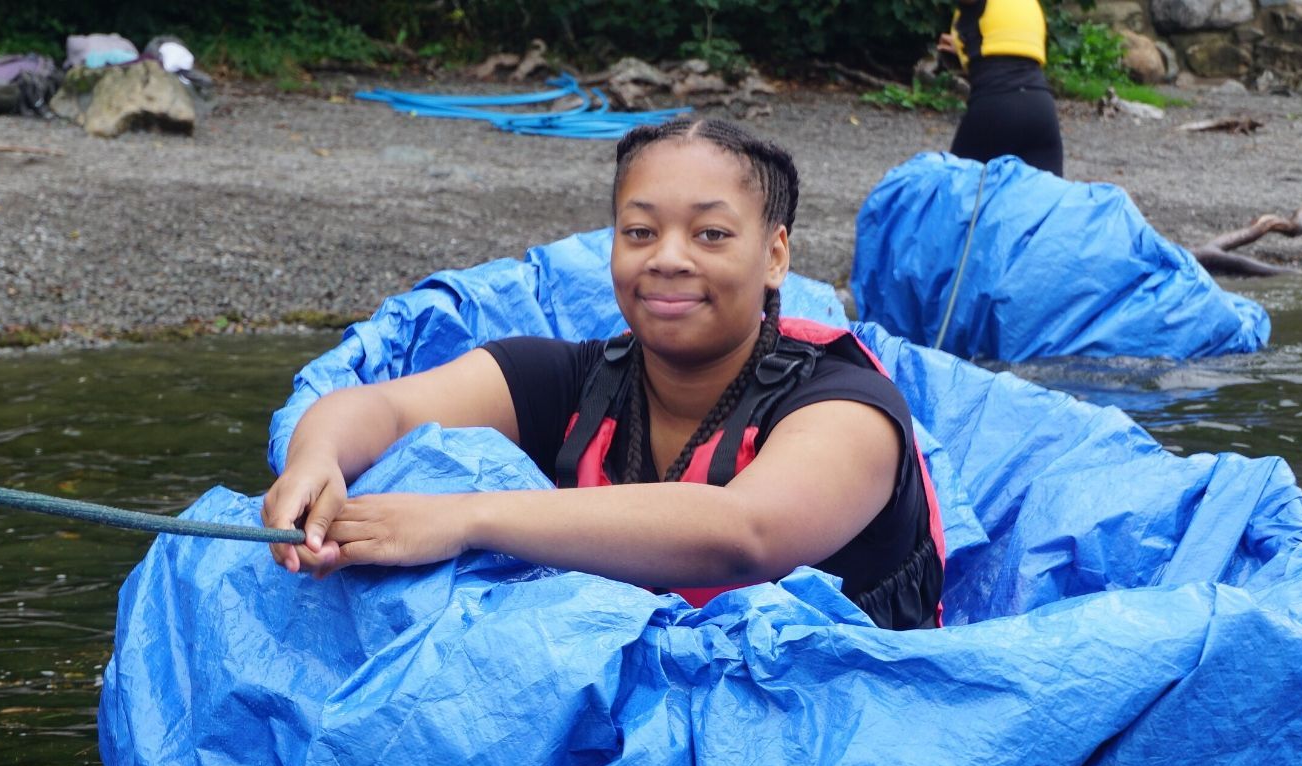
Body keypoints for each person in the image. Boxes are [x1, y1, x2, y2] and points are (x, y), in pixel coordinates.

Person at [262, 119, 944, 630]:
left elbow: (744, 534)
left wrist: (465, 517)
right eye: (640, 232)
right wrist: (315, 459)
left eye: (711, 235)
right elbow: (380, 411)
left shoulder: (848, 408)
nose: (668, 259)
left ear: (774, 255)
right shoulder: (574, 379)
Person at [938, 0, 1064, 177]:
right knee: (1046, 200)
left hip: (996, 107)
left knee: (958, 194)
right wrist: (962, 46)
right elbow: (1002, 37)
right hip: (1041, 109)